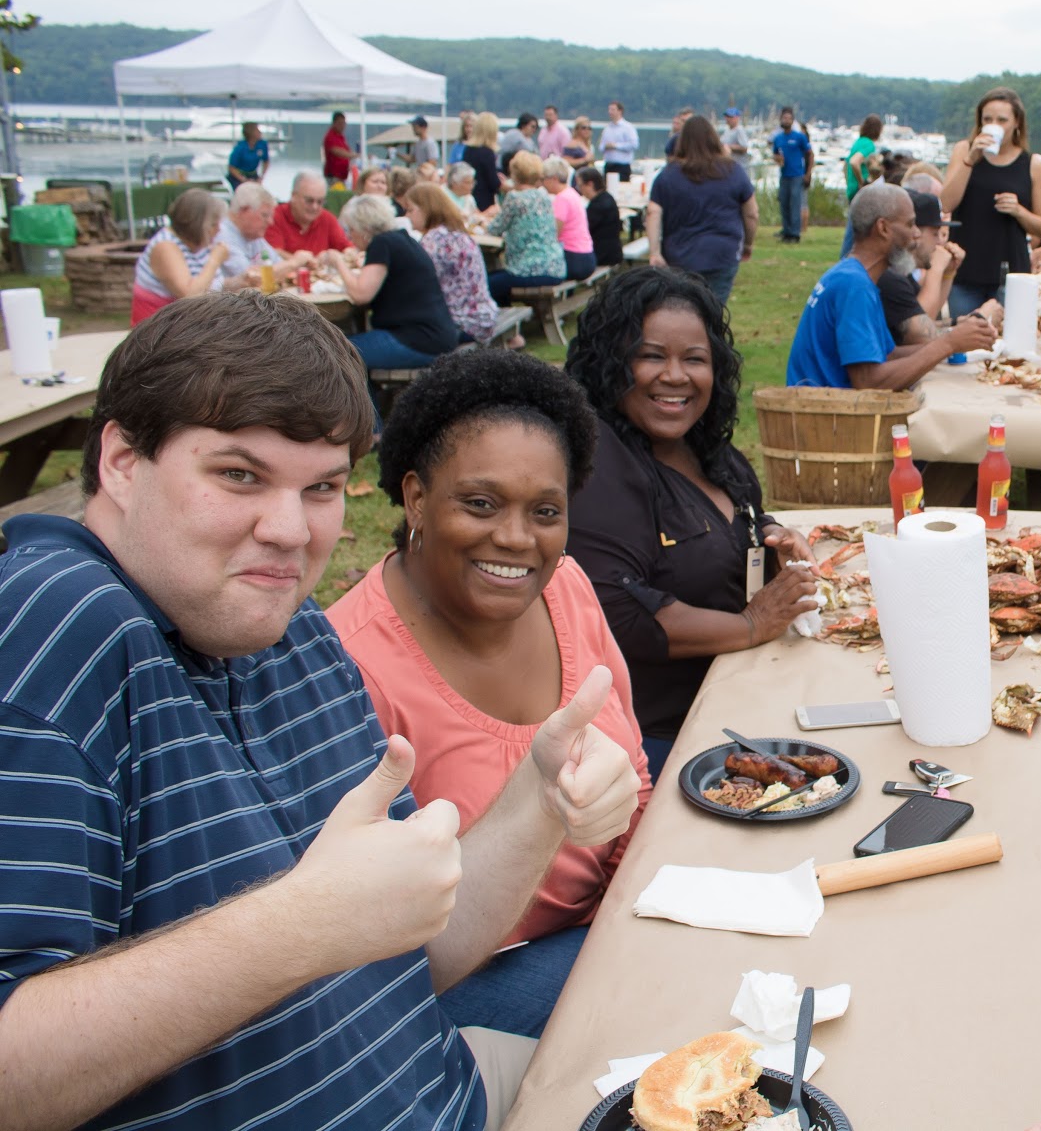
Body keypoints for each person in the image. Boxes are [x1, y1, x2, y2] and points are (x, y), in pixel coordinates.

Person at [0, 292, 643, 1130]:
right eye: (239, 475)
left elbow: (415, 951)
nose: (289, 531)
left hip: (455, 1093)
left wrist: (540, 795)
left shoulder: (291, 626)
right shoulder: (49, 630)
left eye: (323, 488)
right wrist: (296, 926)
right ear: (122, 460)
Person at [328, 349, 652, 1037]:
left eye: (544, 511)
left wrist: (638, 906)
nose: (515, 538)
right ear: (415, 497)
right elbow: (375, 950)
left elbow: (637, 781)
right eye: (480, 504)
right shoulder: (349, 671)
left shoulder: (565, 586)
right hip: (458, 987)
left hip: (609, 921)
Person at [566, 267, 820, 773]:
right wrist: (751, 625)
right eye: (651, 356)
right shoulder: (598, 466)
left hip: (741, 700)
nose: (676, 376)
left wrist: (774, 538)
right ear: (610, 363)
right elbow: (621, 612)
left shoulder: (704, 450)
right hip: (660, 743)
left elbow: (734, 520)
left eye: (695, 359)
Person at [784, 183, 996, 389]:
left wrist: (953, 344)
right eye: (910, 224)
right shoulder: (854, 285)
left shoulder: (855, 276)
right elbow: (869, 382)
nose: (916, 234)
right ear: (883, 228)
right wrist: (948, 343)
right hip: (826, 419)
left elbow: (888, 355)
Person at [330, 194, 463, 416]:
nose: (350, 236)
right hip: (437, 333)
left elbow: (362, 294)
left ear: (363, 228)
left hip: (418, 339)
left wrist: (338, 263)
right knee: (348, 347)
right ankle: (371, 419)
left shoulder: (381, 243)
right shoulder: (403, 239)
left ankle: (371, 428)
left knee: (341, 352)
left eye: (350, 230)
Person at [940, 87, 1041, 319]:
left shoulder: (1032, 164)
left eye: (1002, 120)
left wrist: (1019, 211)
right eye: (987, 119)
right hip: (966, 271)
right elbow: (946, 203)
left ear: (1017, 123)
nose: (994, 125)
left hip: (1010, 274)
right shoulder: (964, 150)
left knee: (1011, 346)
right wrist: (970, 160)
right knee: (965, 343)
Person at [645, 116, 756, 306]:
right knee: (714, 311)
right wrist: (748, 243)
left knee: (682, 309)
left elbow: (653, 213)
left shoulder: (668, 175)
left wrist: (655, 251)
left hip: (679, 256)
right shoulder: (733, 171)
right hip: (722, 253)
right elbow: (751, 213)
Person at [407, 182, 501, 344]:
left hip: (462, 322)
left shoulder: (434, 241)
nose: (407, 216)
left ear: (426, 209)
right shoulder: (457, 233)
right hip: (483, 316)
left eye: (410, 210)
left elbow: (417, 286)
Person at [130, 187, 228, 324]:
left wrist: (241, 281)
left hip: (185, 324)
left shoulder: (199, 244)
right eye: (213, 224)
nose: (218, 229)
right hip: (159, 330)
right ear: (196, 225)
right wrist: (215, 260)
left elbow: (210, 284)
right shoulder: (165, 246)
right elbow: (190, 296)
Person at [487, 151, 568, 306]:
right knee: (498, 278)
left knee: (488, 283)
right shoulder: (544, 197)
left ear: (514, 174)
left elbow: (495, 228)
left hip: (528, 270)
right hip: (555, 267)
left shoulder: (515, 198)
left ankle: (506, 323)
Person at [878, 190, 957, 345]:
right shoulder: (890, 277)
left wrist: (949, 273)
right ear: (916, 233)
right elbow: (923, 333)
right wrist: (936, 269)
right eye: (935, 234)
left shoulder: (902, 272)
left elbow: (926, 317)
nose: (940, 243)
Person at [215, 182, 297, 289]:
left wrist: (291, 265)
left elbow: (278, 263)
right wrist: (295, 262)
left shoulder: (252, 235)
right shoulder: (222, 234)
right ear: (244, 210)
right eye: (265, 215)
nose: (270, 222)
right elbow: (251, 278)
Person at [267, 170, 354, 257]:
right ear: (293, 196)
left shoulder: (327, 219)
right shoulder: (273, 217)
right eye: (309, 201)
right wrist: (304, 262)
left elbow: (346, 247)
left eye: (320, 202)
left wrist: (351, 254)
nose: (315, 207)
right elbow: (273, 253)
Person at [542, 156, 598, 280]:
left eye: (544, 179)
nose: (542, 183)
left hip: (574, 258)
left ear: (554, 179)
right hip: (587, 256)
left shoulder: (561, 199)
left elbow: (554, 233)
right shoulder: (572, 193)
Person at [770, 106, 814, 242]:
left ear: (792, 120)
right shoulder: (778, 138)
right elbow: (775, 154)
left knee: (795, 204)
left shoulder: (799, 137)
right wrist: (778, 159)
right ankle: (786, 231)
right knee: (784, 202)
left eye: (789, 119)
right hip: (784, 175)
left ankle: (795, 233)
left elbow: (810, 154)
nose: (786, 121)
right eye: (784, 118)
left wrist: (808, 173)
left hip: (797, 174)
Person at [576, 165, 627, 267]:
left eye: (580, 186)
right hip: (612, 252)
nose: (579, 190)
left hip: (603, 255)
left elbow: (583, 230)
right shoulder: (606, 198)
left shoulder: (598, 206)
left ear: (590, 184)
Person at [464, 111, 506, 212]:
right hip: (485, 200)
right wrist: (503, 183)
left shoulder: (468, 149)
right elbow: (493, 182)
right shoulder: (487, 153)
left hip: (470, 196)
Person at [845, 113, 882, 203]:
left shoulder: (858, 142)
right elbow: (854, 162)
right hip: (860, 190)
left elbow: (846, 164)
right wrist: (862, 182)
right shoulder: (869, 144)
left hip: (851, 188)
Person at [600, 100, 640, 180]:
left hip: (622, 167)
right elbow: (601, 146)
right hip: (608, 165)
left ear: (620, 111)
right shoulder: (607, 128)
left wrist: (616, 146)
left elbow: (634, 145)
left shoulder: (628, 127)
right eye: (609, 110)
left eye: (613, 110)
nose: (610, 112)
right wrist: (605, 146)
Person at [226, 120, 269, 190]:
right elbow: (231, 168)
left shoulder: (262, 144)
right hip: (238, 177)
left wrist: (261, 177)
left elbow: (266, 161)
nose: (260, 132)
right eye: (257, 130)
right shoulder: (240, 147)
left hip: (253, 175)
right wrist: (244, 180)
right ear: (251, 132)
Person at [322, 109, 354, 185]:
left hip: (342, 175)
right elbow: (337, 151)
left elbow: (347, 150)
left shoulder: (341, 137)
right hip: (333, 176)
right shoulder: (330, 136)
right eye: (340, 123)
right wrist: (354, 155)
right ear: (334, 123)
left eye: (344, 123)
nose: (342, 126)